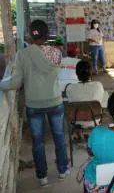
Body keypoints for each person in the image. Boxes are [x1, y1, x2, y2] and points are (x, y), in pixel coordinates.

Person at [0, 20, 69, 187]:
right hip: (55, 101)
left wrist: (1, 84)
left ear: (31, 34)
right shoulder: (56, 53)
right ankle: (62, 170)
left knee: (37, 142)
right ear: (47, 35)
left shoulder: (22, 55)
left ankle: (42, 177)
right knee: (59, 137)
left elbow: (15, 83)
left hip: (34, 105)